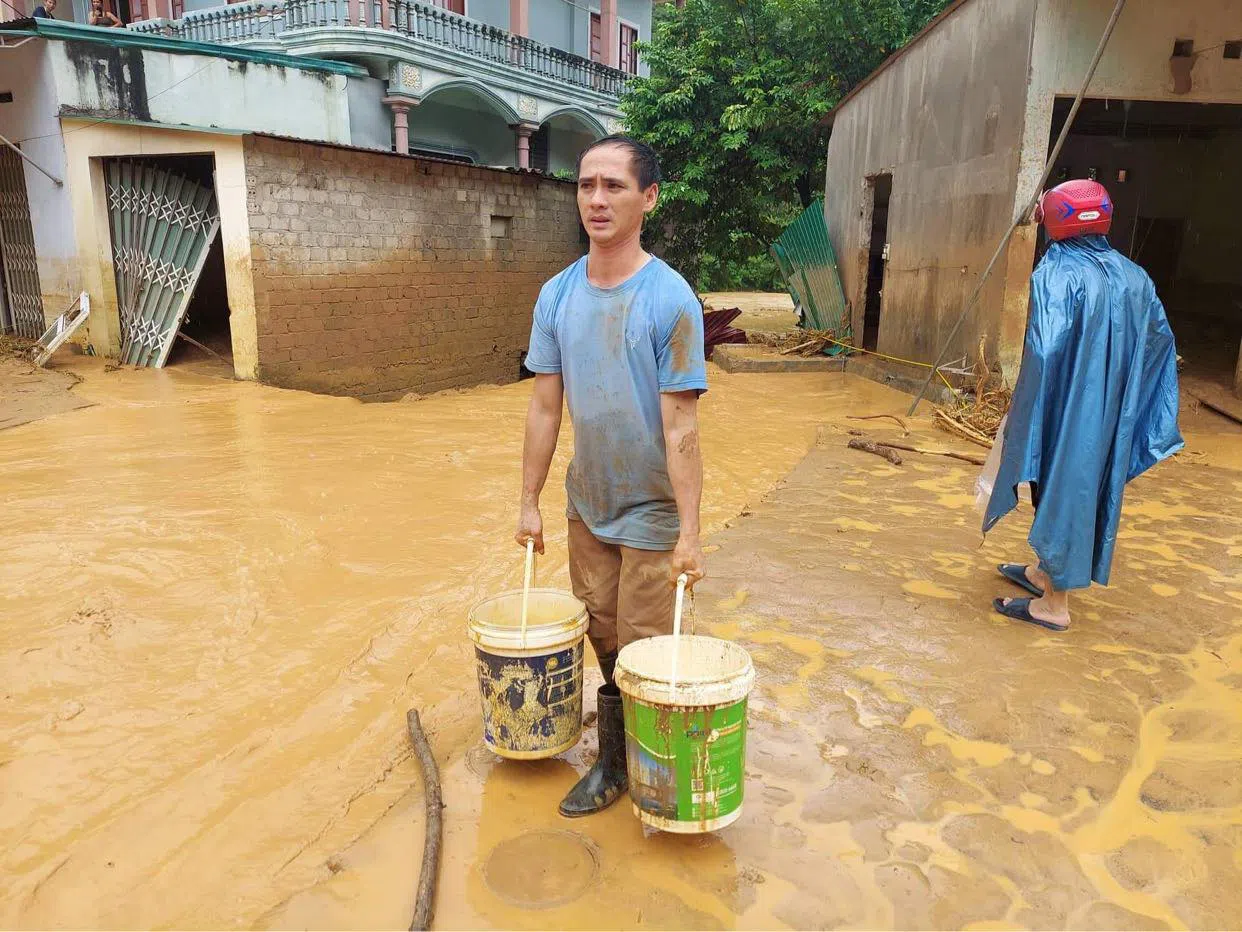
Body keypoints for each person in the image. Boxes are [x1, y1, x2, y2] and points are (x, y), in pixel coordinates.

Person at [515, 135, 707, 817]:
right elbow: (544, 407)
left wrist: (690, 532)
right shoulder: (557, 294)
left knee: (645, 643)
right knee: (599, 630)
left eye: (614, 186)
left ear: (648, 198)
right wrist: (529, 502)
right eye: (586, 185)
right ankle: (623, 752)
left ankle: (632, 765)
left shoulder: (670, 299)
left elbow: (681, 426)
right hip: (586, 503)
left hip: (652, 510)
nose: (596, 199)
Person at [986, 179, 1182, 631]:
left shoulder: (1055, 274)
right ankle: (1042, 572)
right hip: (1111, 410)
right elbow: (1159, 347)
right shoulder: (1136, 277)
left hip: (1066, 406)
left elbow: (1043, 350)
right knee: (1076, 486)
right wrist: (1127, 405)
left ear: (1054, 219)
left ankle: (1054, 607)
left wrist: (1025, 414)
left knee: (1065, 486)